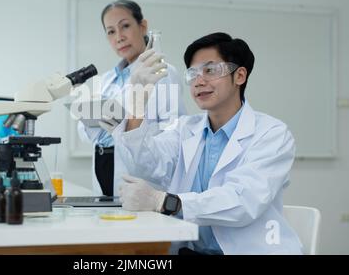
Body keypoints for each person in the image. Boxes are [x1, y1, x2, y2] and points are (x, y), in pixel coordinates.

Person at [112, 32, 303, 254]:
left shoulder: (272, 134)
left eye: (210, 70)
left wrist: (166, 202)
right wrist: (138, 97)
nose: (199, 81)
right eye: (192, 74)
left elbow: (242, 201)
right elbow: (144, 165)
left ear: (240, 75)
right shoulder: (185, 128)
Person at [77, 0, 186, 196]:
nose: (119, 37)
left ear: (143, 26)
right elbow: (84, 133)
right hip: (104, 169)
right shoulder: (106, 80)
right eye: (111, 31)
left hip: (142, 173)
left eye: (125, 26)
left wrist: (127, 126)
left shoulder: (162, 72)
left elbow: (172, 129)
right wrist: (95, 119)